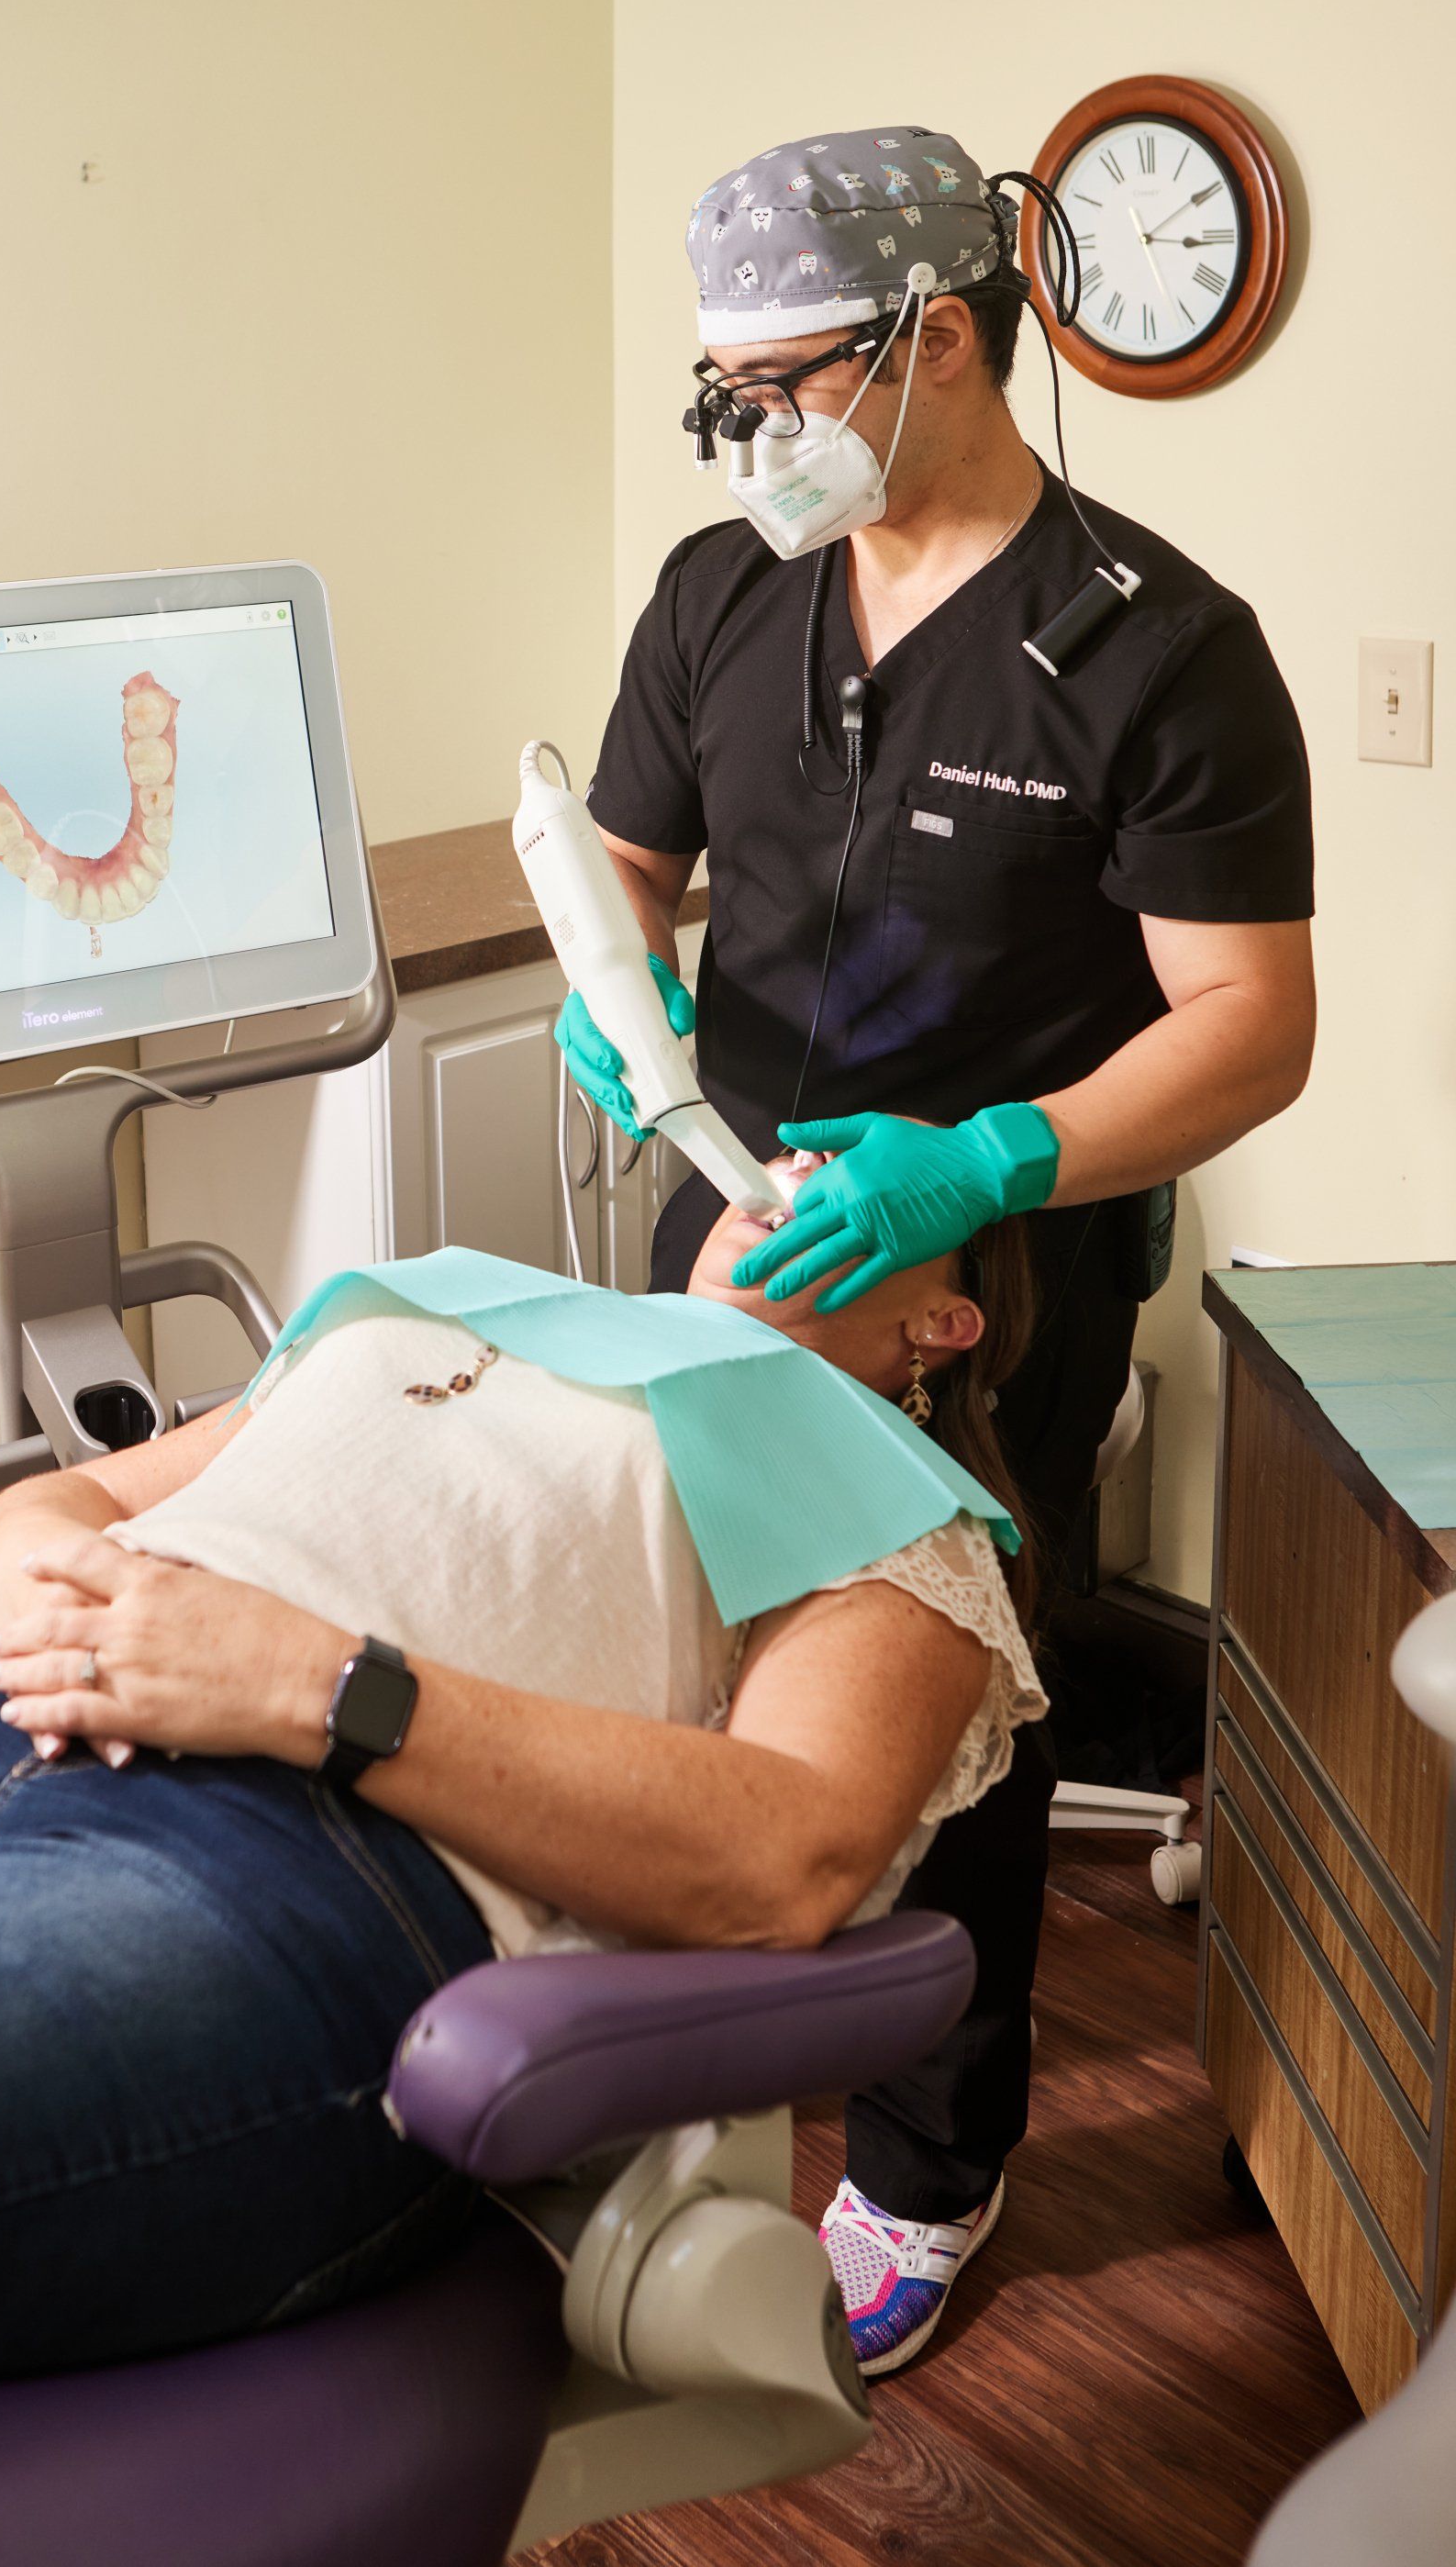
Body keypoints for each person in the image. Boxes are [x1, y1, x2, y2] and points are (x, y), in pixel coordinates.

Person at [558, 121, 1316, 2372]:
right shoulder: (723, 594)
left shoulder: (1161, 651)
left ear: (941, 343)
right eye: (720, 394)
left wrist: (987, 1160)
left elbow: (1252, 1024)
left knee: (946, 1705)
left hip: (991, 1262)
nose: (745, 435)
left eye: (776, 386)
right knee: (696, 1647)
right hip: (739, 1213)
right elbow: (629, 860)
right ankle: (687, 2055)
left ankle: (925, 2161)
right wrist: (626, 992)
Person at [0, 1178, 1039, 2438]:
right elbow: (81, 1495)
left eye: (861, 1162)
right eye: (801, 1142)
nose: (799, 1161)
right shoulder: (457, 1303)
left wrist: (312, 1684)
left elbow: (784, 1852)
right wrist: (37, 1570)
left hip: (278, 1878)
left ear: (945, 1321)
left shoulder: (901, 1512)